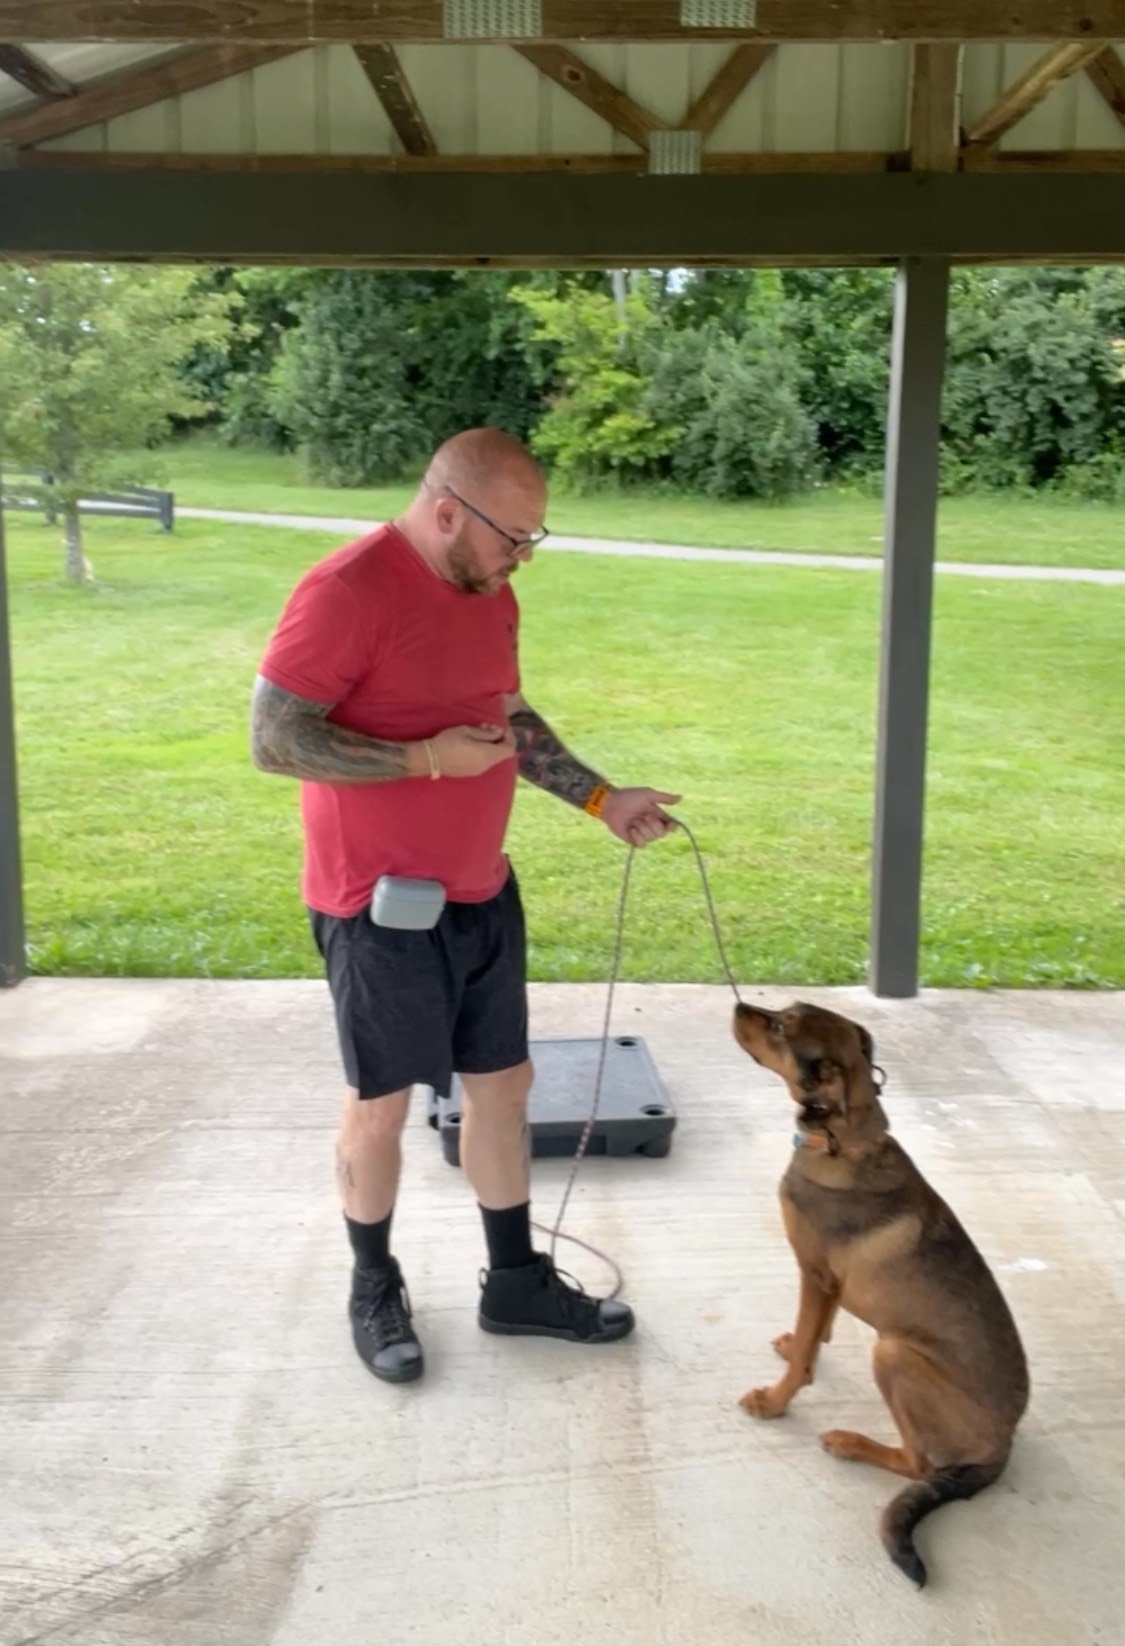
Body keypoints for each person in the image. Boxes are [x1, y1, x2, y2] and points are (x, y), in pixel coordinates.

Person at [251, 428, 680, 1386]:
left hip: (480, 889)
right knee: (380, 1104)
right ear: (448, 510)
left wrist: (606, 800)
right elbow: (276, 740)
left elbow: (511, 719)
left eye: (535, 539)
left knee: (504, 1086)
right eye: (512, 538)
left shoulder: (491, 593)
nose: (521, 558)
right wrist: (422, 760)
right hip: (378, 907)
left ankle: (514, 1282)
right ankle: (373, 1285)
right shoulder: (346, 591)